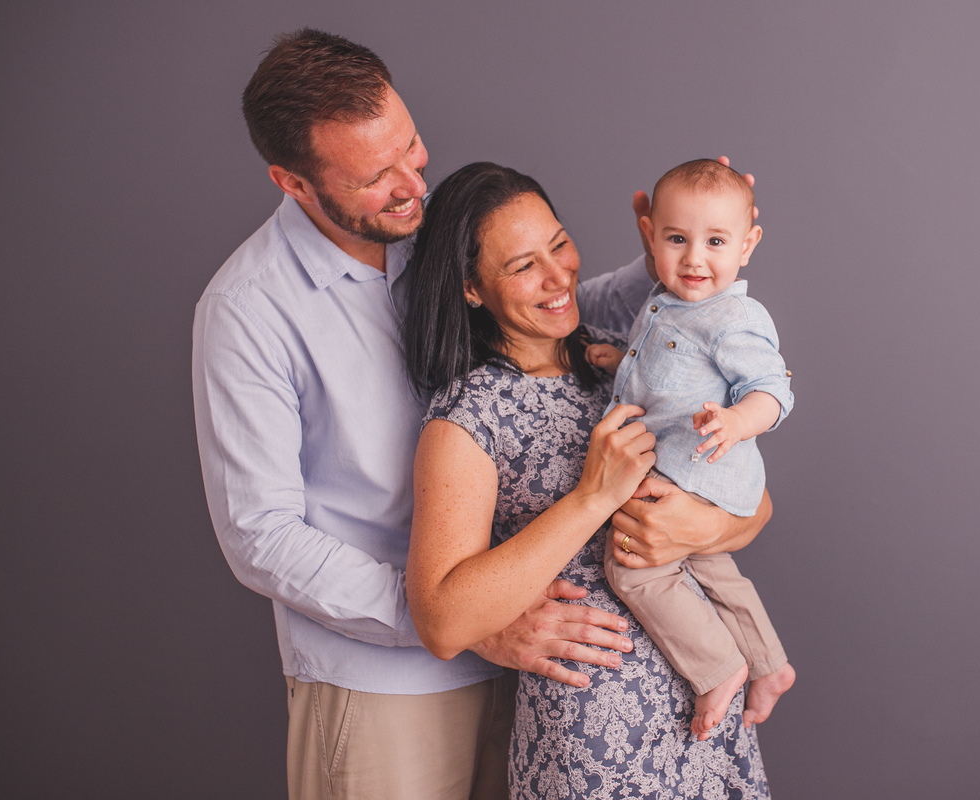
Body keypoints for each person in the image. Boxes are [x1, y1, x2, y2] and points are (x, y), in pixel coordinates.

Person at [192, 29, 761, 800]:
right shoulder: (250, 309)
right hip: (386, 677)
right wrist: (460, 619)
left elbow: (550, 316)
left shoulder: (432, 233)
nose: (408, 186)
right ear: (294, 183)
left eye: (412, 151)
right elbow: (260, 536)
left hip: (542, 664)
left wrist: (682, 238)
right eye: (375, 176)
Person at [403, 162, 774, 800]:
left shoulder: (621, 355)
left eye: (559, 244)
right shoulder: (470, 414)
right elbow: (441, 620)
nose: (558, 277)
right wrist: (592, 498)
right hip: (596, 738)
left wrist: (704, 526)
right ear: (471, 288)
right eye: (523, 266)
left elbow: (755, 502)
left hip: (710, 711)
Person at [586, 159, 797, 741]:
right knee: (711, 569)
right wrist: (617, 361)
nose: (694, 259)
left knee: (632, 568)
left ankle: (718, 667)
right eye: (676, 239)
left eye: (716, 242)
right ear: (650, 236)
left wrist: (737, 421)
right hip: (698, 473)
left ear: (748, 244)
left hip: (701, 470)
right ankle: (770, 666)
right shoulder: (666, 300)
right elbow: (660, 369)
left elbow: (774, 391)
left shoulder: (735, 316)